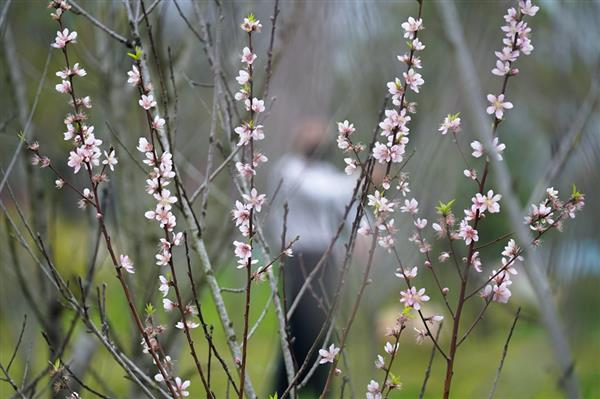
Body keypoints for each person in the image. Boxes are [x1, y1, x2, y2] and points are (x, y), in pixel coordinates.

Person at [269, 117, 357, 396]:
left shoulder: (326, 172)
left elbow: (347, 202)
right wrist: (363, 176)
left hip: (324, 256)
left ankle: (293, 386)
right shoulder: (289, 168)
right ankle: (316, 386)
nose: (318, 139)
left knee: (315, 323)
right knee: (305, 322)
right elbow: (323, 192)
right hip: (299, 256)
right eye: (312, 133)